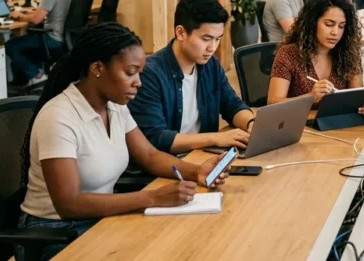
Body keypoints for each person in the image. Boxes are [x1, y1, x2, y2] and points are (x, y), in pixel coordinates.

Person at [17, 23, 232, 261]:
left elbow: (149, 155)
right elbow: (69, 203)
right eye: (130, 73)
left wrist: (197, 171)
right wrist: (152, 198)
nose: (138, 82)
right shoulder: (59, 117)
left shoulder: (114, 107)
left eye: (139, 72)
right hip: (56, 232)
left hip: (102, 220)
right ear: (97, 67)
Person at [128, 0, 256, 154]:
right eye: (206, 39)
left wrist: (251, 123)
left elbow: (232, 105)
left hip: (202, 157)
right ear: (180, 32)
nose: (212, 47)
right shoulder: (150, 74)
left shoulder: (210, 65)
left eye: (218, 39)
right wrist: (215, 138)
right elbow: (156, 138)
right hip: (167, 166)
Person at [268, 0, 364, 117]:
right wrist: (310, 97)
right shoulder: (289, 53)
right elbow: (272, 104)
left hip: (336, 128)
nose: (335, 32)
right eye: (329, 24)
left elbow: (357, 99)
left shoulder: (348, 54)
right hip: (298, 127)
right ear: (312, 23)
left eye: (341, 26)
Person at [7, 0, 77, 86]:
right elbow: (41, 15)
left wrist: (19, 15)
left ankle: (37, 76)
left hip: (53, 40)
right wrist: (26, 14)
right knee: (26, 40)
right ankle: (31, 75)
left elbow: (36, 20)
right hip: (68, 40)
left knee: (11, 46)